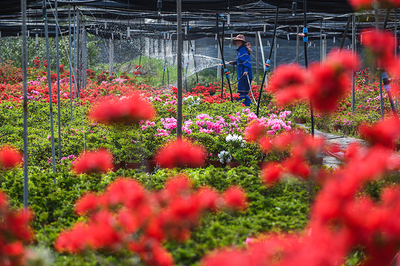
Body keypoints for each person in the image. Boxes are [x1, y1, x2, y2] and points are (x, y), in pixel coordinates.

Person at [229, 34, 253, 106]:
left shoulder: (243, 50)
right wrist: (234, 63)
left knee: (241, 93)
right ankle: (249, 107)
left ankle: (242, 107)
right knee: (244, 93)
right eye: (237, 41)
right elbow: (241, 61)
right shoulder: (241, 50)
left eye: (239, 41)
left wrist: (246, 71)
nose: (238, 42)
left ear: (242, 42)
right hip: (243, 75)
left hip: (244, 76)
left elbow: (246, 62)